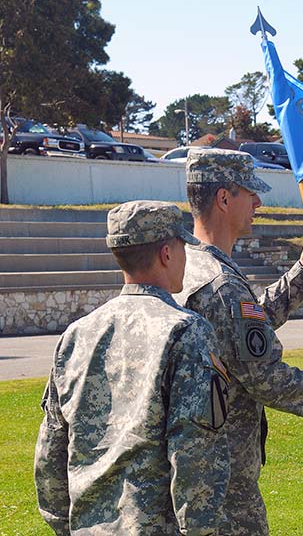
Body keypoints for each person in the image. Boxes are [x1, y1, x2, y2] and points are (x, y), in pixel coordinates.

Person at [173, 148, 303, 535]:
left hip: (191, 468)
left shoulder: (186, 264)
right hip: (222, 481)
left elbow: (245, 332)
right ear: (224, 198)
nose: (259, 202)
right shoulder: (221, 284)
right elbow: (267, 378)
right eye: (250, 192)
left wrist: (301, 274)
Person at [34, 200, 230, 535]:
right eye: (183, 247)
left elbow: (51, 450)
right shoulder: (184, 331)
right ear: (166, 253)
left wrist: (64, 524)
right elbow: (194, 451)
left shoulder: (77, 335)